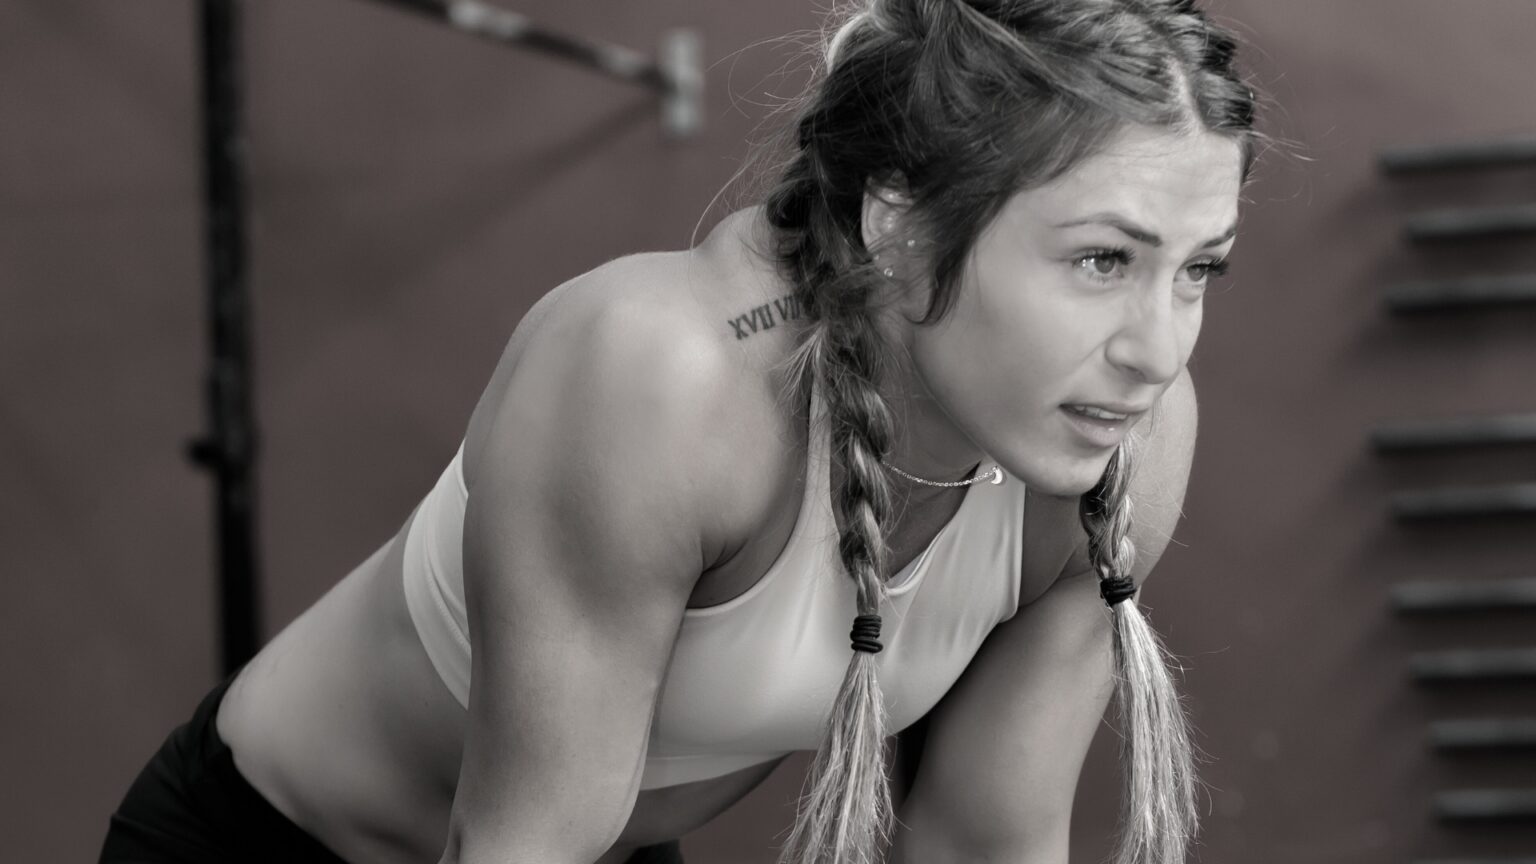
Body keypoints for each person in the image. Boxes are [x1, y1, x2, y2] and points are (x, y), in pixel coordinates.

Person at [100, 1, 1259, 862]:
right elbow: (520, 845)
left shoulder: (1127, 442)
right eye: (1103, 259)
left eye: (1197, 270)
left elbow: (983, 841)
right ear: (898, 226)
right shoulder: (661, 376)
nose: (1158, 349)